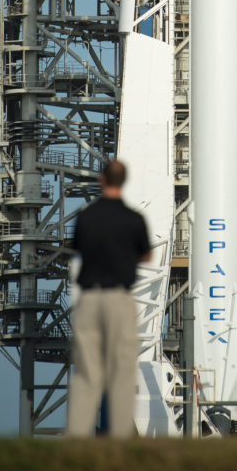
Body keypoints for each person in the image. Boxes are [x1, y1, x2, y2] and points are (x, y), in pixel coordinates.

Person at [66, 157, 151, 437]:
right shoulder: (133, 220)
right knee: (122, 371)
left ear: (101, 179)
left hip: (89, 300)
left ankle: (77, 438)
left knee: (87, 372)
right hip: (118, 299)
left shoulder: (86, 217)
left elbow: (78, 246)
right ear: (124, 181)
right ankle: (120, 440)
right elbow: (146, 254)